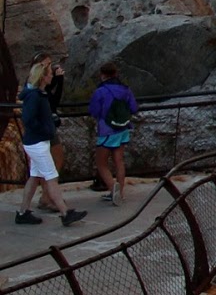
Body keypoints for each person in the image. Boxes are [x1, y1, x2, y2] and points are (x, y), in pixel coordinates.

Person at [16, 60, 84, 226]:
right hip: (38, 143)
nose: (51, 76)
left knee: (35, 177)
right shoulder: (34, 96)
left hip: (37, 141)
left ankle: (23, 212)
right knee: (51, 177)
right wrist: (46, 130)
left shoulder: (39, 94)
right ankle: (65, 213)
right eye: (49, 74)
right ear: (43, 77)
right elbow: (28, 119)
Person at [87, 63, 139, 206]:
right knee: (119, 161)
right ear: (116, 73)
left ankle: (113, 190)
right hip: (123, 129)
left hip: (107, 131)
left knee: (101, 163)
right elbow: (133, 108)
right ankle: (120, 192)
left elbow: (94, 110)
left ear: (102, 75)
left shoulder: (101, 91)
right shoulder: (125, 89)